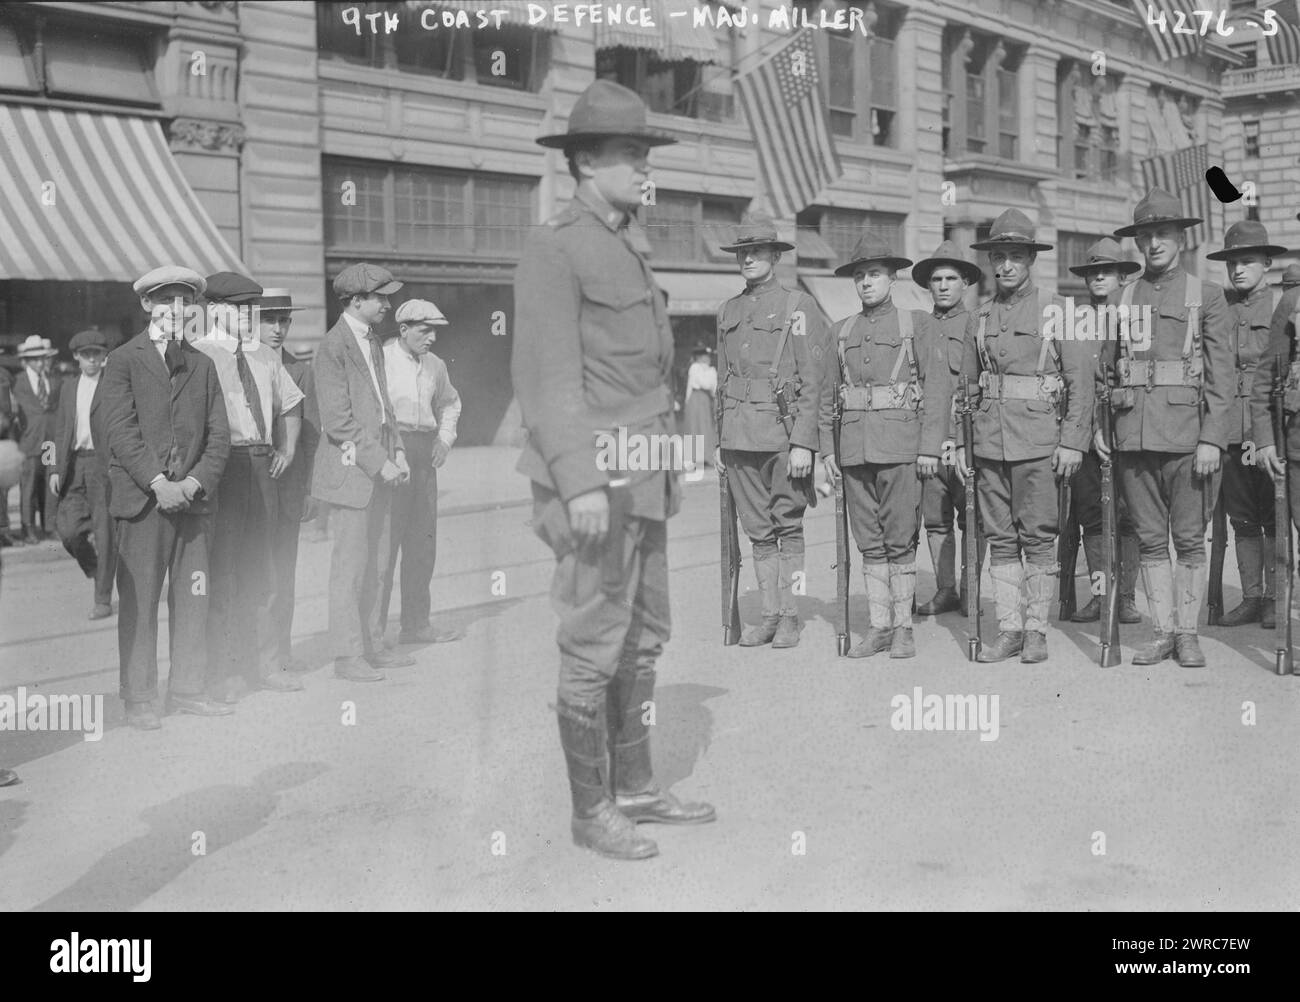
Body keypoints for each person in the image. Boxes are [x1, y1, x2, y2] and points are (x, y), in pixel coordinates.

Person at [514, 79, 715, 861]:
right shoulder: (556, 247)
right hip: (597, 472)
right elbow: (547, 376)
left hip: (645, 467)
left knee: (645, 632)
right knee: (595, 636)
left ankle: (633, 786)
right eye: (630, 154)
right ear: (587, 162)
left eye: (643, 153)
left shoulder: (628, 239)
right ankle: (589, 810)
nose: (642, 168)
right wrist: (579, 480)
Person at [1095, 188, 1233, 667]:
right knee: (1151, 539)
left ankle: (1188, 634)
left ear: (1180, 236)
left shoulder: (1207, 296)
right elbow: (1105, 371)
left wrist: (1213, 437)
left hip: (1187, 437)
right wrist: (1101, 427)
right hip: (1132, 435)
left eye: (1162, 233)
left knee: (1190, 539)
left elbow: (1222, 376)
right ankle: (1162, 632)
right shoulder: (1121, 297)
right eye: (1145, 235)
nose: (1153, 243)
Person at [96, 266, 232, 728]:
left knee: (194, 596)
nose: (176, 310)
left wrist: (192, 484)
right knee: (140, 600)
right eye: (166, 301)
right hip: (143, 504)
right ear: (147, 305)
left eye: (183, 302)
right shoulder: (123, 360)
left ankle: (188, 689)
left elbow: (219, 437)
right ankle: (138, 698)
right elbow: (120, 430)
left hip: (193, 504)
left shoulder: (203, 364)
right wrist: (158, 482)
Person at [958, 209, 1091, 663]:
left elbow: (1080, 382)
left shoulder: (1060, 311)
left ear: (1031, 259)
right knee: (999, 537)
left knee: (1037, 536)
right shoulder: (978, 318)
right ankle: (1010, 629)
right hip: (990, 442)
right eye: (999, 256)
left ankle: (1036, 630)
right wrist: (962, 443)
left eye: (1016, 256)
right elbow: (968, 387)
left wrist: (1073, 441)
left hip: (1038, 440)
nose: (1007, 266)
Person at [830, 235, 950, 659]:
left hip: (901, 447)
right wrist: (829, 453)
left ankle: (902, 628)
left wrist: (930, 448)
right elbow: (828, 398)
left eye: (875, 274)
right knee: (868, 541)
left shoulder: (916, 325)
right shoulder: (841, 330)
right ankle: (879, 626)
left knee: (900, 539)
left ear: (892, 277)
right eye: (860, 275)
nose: (866, 282)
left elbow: (937, 388)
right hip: (854, 451)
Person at [716, 212, 831, 649]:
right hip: (739, 437)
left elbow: (813, 379)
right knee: (756, 529)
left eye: (757, 251)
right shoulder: (727, 310)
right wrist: (717, 442)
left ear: (774, 256)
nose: (748, 258)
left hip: (783, 436)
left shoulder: (797, 306)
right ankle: (767, 615)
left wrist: (805, 441)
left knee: (787, 524)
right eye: (743, 252)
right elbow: (724, 380)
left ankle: (788, 616)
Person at [194, 272, 305, 698]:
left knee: (263, 569)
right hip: (222, 467)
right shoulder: (199, 354)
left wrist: (288, 449)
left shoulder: (265, 356)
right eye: (241, 310)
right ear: (217, 311)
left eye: (252, 310)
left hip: (261, 464)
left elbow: (292, 402)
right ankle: (220, 674)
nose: (249, 317)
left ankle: (266, 665)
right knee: (221, 571)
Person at [312, 262, 415, 682]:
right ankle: (347, 656)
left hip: (381, 470)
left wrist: (401, 452)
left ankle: (372, 643)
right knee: (351, 569)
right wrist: (381, 463)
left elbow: (383, 408)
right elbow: (338, 423)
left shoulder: (371, 341)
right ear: (356, 301)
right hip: (354, 474)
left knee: (378, 564)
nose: (388, 305)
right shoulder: (333, 347)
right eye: (381, 298)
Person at [1204, 221, 1289, 629]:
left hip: (1267, 428)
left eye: (1247, 261)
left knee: (1273, 514)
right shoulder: (1219, 305)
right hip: (1229, 429)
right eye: (1232, 262)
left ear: (1267, 263)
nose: (1238, 269)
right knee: (1241, 515)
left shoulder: (1279, 307)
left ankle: (1275, 597)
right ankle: (1252, 597)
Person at [1064, 238, 1142, 625]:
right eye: (1092, 271)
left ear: (1122, 276)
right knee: (1090, 515)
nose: (1098, 277)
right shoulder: (1073, 319)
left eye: (1106, 271)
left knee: (1128, 514)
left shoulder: (1136, 316)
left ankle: (1125, 597)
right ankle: (1100, 594)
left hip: (1124, 426)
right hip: (1082, 428)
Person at [378, 298, 463, 647]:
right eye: (424, 331)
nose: (431, 338)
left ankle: (416, 625)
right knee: (385, 545)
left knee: (421, 544)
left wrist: (444, 440)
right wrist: (389, 453)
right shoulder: (381, 358)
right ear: (404, 330)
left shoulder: (436, 365)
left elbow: (451, 402)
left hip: (424, 451)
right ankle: (374, 633)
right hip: (391, 450)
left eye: (435, 332)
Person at [913, 240, 984, 617]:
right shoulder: (918, 328)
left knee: (972, 518)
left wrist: (962, 439)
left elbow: (981, 385)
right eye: (936, 279)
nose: (942, 285)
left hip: (964, 441)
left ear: (965, 283)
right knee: (935, 522)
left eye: (951, 278)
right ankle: (946, 590)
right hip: (925, 441)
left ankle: (971, 590)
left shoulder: (977, 324)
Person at [256, 288, 319, 676]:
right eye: (269, 321)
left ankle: (280, 650)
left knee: (283, 571)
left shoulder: (300, 371)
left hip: (290, 486)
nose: (277, 329)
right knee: (253, 571)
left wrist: (310, 488)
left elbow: (310, 437)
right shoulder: (240, 365)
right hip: (249, 486)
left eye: (283, 321)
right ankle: (252, 654)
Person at [48, 327, 117, 620]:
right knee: (68, 530)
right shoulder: (68, 387)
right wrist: (53, 468)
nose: (92, 360)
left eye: (97, 355)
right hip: (73, 465)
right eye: (86, 355)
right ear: (76, 357)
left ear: (104, 358)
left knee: (105, 535)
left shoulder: (113, 385)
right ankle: (91, 566)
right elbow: (57, 430)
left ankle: (102, 598)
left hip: (102, 468)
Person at [11, 335, 61, 544]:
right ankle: (27, 527)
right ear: (26, 361)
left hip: (49, 442)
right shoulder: (18, 382)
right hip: (29, 442)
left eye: (43, 358)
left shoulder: (53, 380)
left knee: (49, 482)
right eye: (35, 359)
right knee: (29, 485)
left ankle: (49, 526)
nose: (40, 362)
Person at [681, 344, 717, 469]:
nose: (706, 359)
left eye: (707, 356)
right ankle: (692, 459)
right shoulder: (695, 368)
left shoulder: (711, 370)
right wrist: (687, 401)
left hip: (705, 399)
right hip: (695, 399)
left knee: (705, 426)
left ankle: (707, 457)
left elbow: (713, 388)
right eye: (703, 356)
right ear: (698, 357)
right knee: (694, 426)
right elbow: (702, 384)